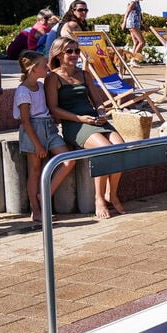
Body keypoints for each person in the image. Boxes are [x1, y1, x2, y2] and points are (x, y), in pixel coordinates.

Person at [45, 37, 126, 219]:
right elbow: (54, 109)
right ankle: (99, 198)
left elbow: (98, 101)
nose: (74, 55)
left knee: (121, 148)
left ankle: (111, 194)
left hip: (95, 120)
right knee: (105, 150)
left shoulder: (84, 74)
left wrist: (101, 113)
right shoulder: (53, 77)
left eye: (76, 51)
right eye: (69, 51)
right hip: (74, 124)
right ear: (58, 54)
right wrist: (81, 118)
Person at [13, 51, 76, 222]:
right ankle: (36, 211)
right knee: (35, 170)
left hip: (49, 127)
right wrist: (38, 145)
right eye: (43, 65)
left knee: (68, 160)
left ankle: (44, 194)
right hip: (33, 130)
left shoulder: (40, 86)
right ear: (33, 69)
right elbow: (26, 121)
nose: (47, 67)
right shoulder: (23, 91)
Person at [122, 0, 147, 67]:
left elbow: (139, 14)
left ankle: (132, 61)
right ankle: (134, 59)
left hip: (135, 24)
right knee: (142, 42)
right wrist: (124, 22)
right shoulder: (133, 2)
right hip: (132, 24)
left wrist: (143, 23)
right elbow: (127, 12)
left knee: (136, 42)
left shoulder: (137, 2)